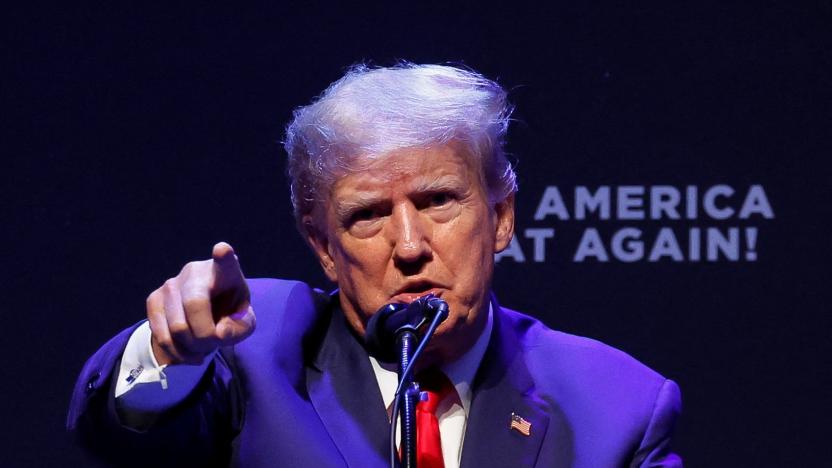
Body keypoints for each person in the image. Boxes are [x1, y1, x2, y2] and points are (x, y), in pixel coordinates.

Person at [68, 63, 682, 467]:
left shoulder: (616, 406)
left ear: (500, 217)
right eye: (367, 216)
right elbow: (114, 440)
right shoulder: (254, 350)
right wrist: (172, 350)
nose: (410, 245)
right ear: (323, 248)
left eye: (438, 200)